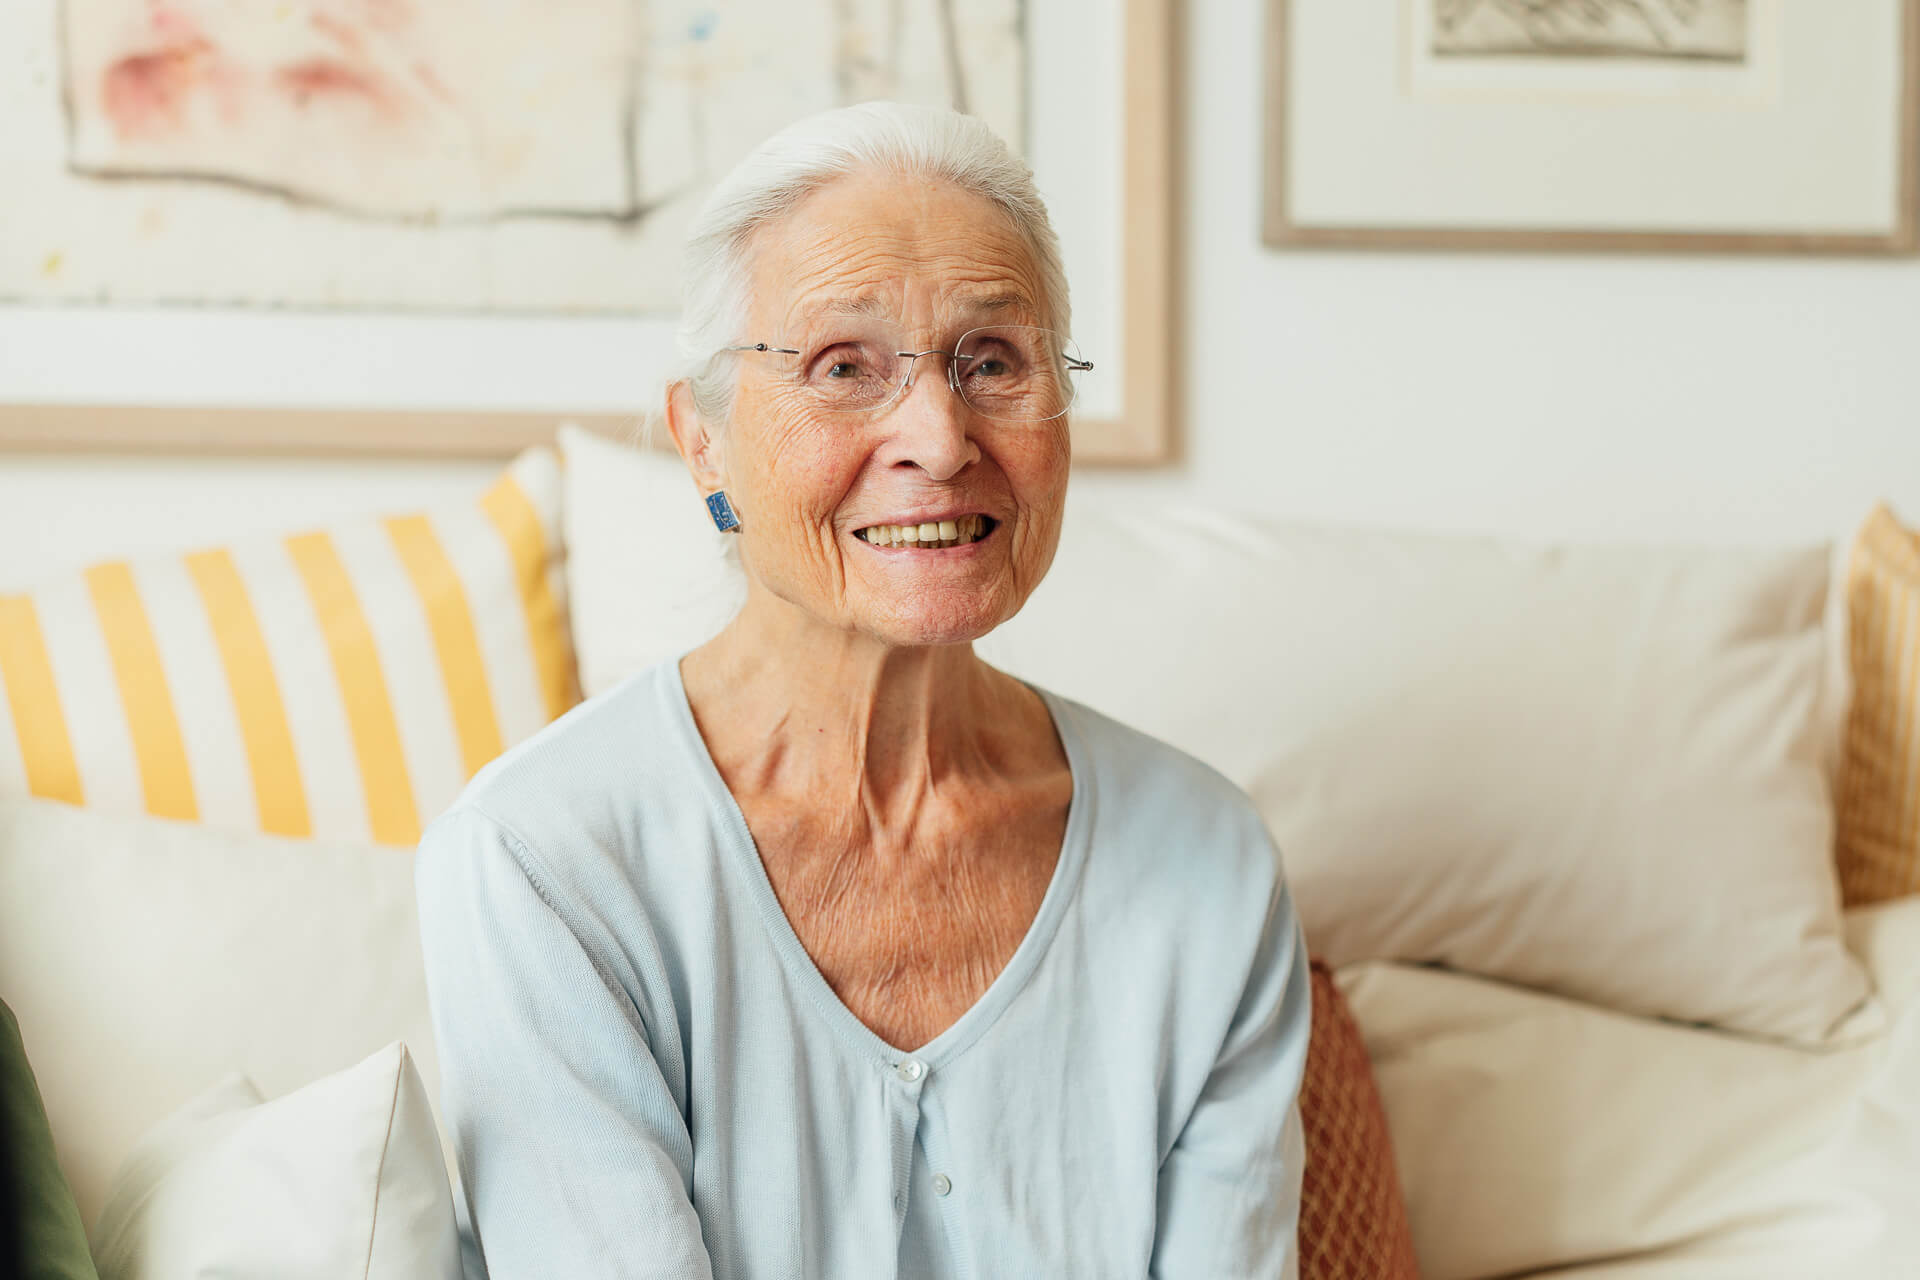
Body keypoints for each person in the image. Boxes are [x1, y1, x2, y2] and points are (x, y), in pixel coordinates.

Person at [416, 100, 1310, 1280]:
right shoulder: (544, 860)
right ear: (704, 442)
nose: (939, 438)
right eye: (844, 366)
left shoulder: (1209, 861)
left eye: (992, 360)